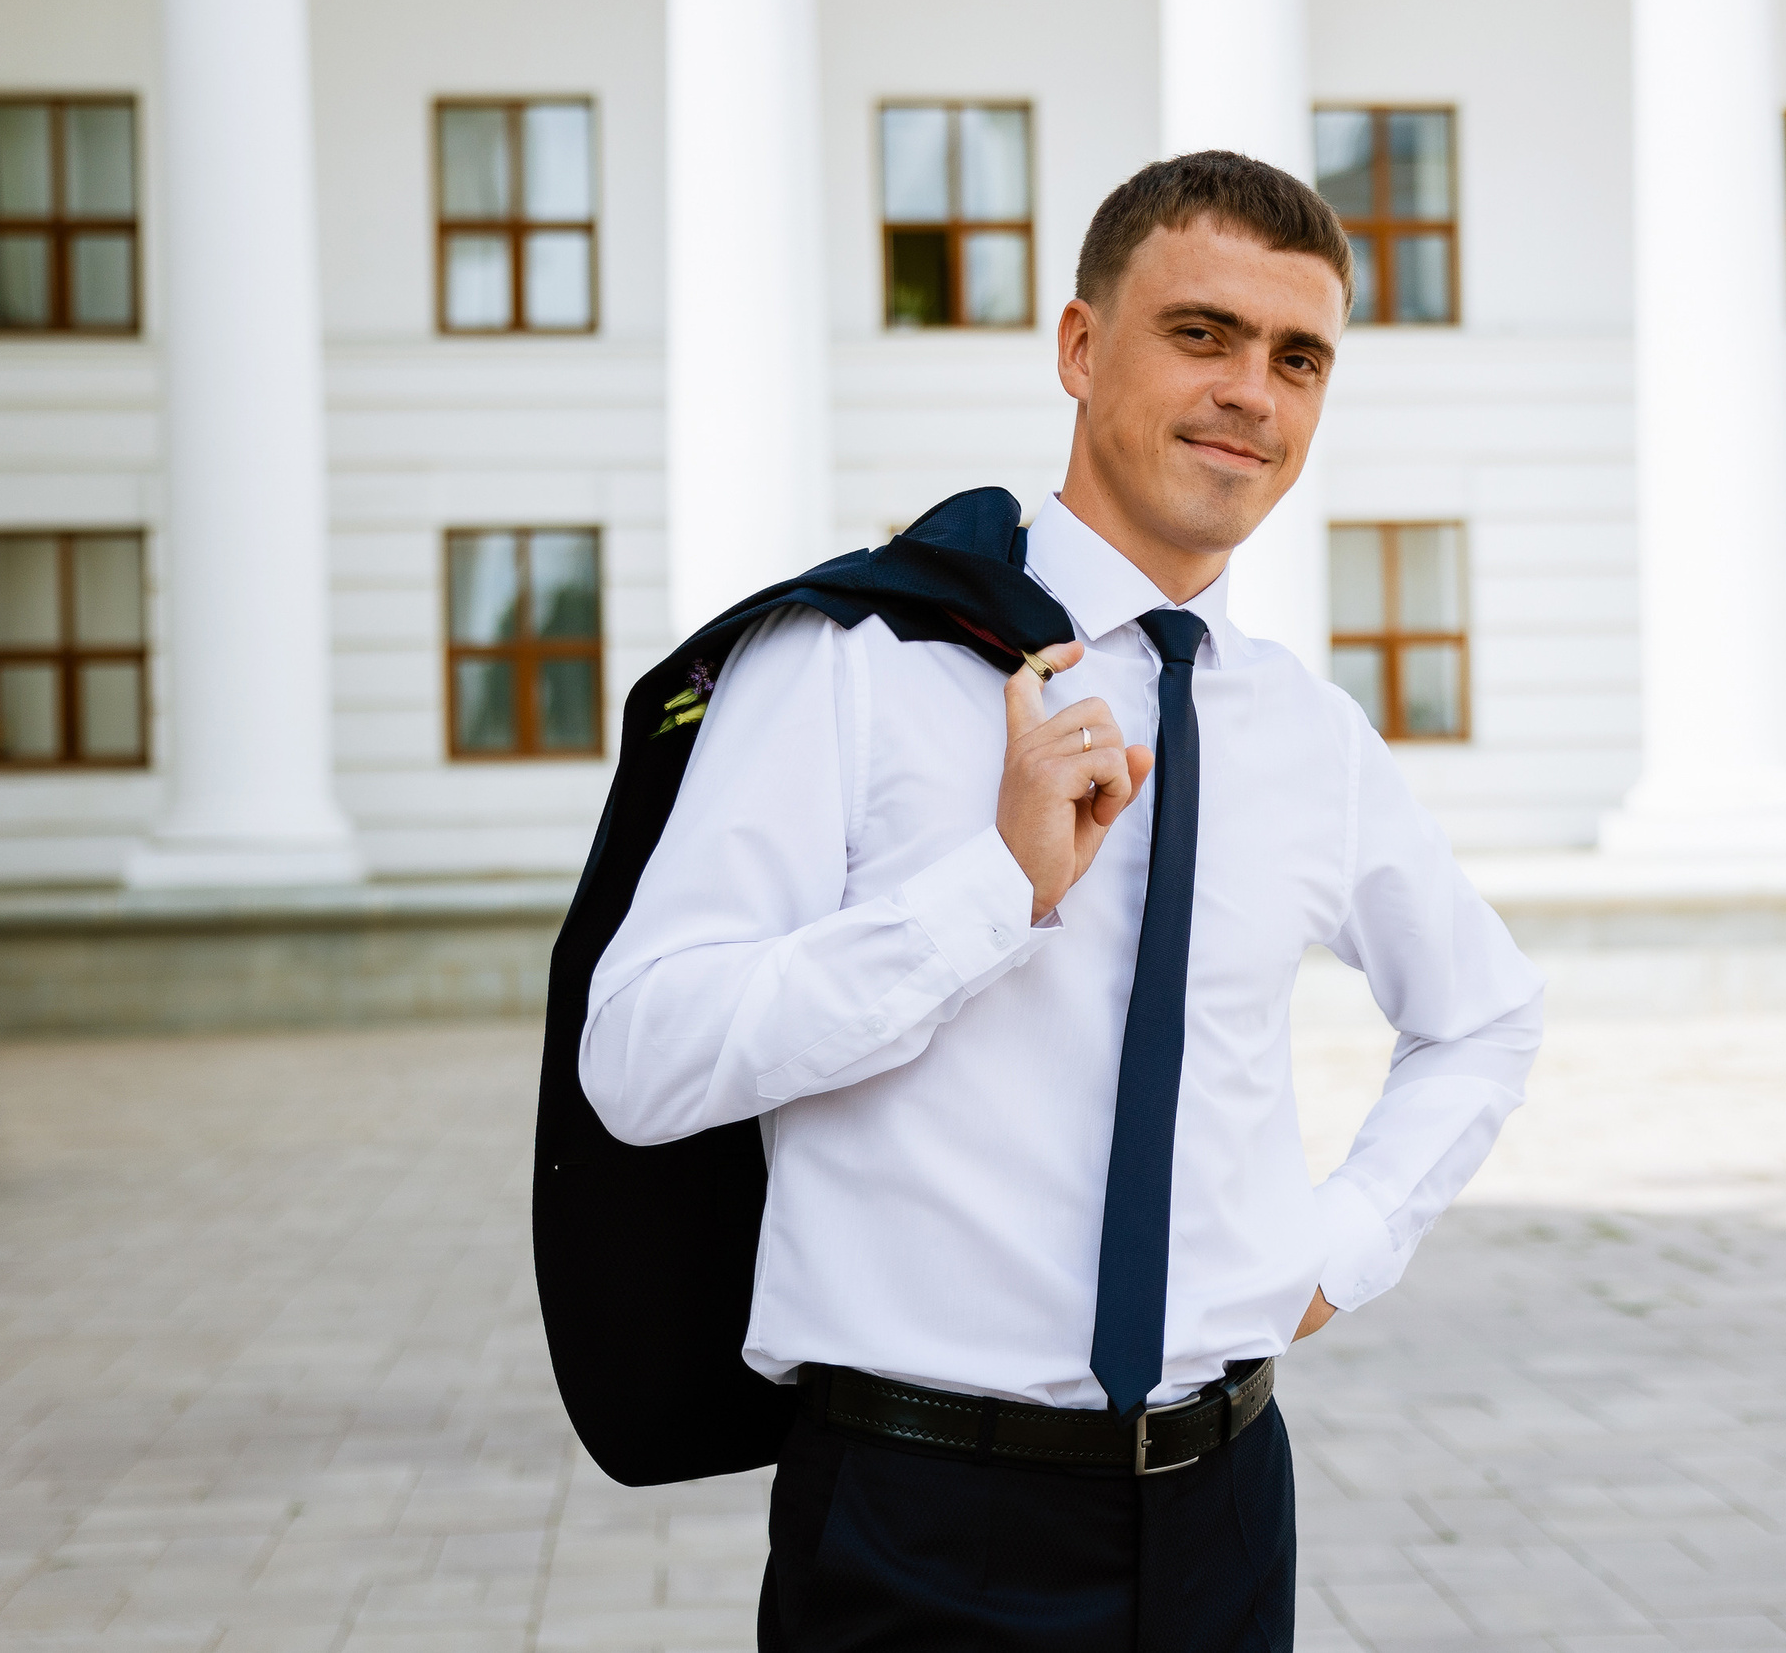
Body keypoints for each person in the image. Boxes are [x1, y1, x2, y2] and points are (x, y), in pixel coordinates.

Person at [576, 151, 1544, 1652]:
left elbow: (1484, 1017)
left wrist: (1339, 1246)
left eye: (1298, 358)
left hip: (1224, 1513)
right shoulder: (851, 661)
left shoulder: (1307, 732)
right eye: (1203, 333)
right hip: (920, 1526)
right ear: (1081, 348)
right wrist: (993, 890)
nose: (1252, 393)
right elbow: (641, 1054)